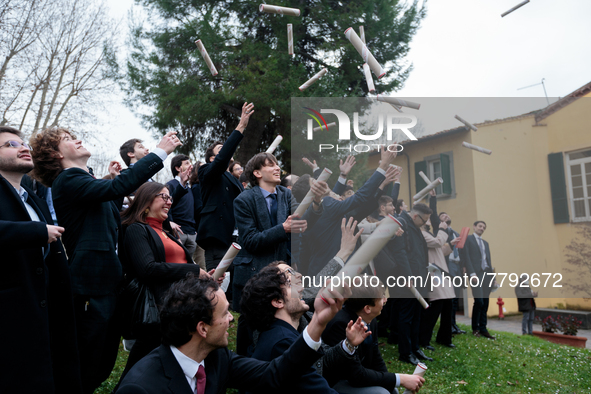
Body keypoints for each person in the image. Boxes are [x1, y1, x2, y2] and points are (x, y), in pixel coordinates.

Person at [30, 126, 181, 393]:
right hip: (90, 287)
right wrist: (160, 152)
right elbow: (118, 188)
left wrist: (110, 182)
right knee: (88, 360)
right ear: (55, 155)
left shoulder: (86, 181)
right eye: (67, 139)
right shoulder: (67, 180)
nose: (77, 140)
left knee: (102, 361)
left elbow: (110, 203)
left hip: (110, 285)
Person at [117, 274, 350, 394]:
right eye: (226, 313)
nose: (232, 319)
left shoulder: (216, 358)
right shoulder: (141, 387)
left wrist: (318, 323)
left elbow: (274, 373)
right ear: (203, 328)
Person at [0, 126, 82, 393]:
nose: (24, 147)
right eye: (11, 144)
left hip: (45, 312)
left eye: (24, 144)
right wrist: (35, 231)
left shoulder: (32, 198)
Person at [232, 151, 327, 354]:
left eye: (277, 164)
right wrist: (283, 229)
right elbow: (249, 240)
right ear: (257, 173)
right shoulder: (243, 200)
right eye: (270, 165)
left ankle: (272, 357)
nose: (277, 168)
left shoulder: (285, 194)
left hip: (281, 267)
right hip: (254, 270)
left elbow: (302, 222)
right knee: (250, 321)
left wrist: (317, 203)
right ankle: (242, 365)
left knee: (275, 316)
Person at [116, 182, 211, 383]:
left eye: (170, 198)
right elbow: (148, 269)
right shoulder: (136, 230)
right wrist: (194, 270)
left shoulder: (167, 232)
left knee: (171, 367)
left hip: (181, 307)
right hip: (158, 310)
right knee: (141, 366)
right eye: (164, 197)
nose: (169, 202)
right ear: (146, 201)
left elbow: (180, 265)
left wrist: (203, 275)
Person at [241, 262, 369, 394]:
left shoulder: (283, 333)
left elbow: (322, 363)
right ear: (278, 301)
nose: (301, 288)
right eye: (289, 282)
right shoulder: (282, 342)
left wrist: (348, 344)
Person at [322, 283, 425, 394]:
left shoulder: (371, 319)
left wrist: (391, 382)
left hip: (356, 378)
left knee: (391, 389)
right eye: (381, 297)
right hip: (336, 383)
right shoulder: (341, 325)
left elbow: (376, 358)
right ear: (367, 308)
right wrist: (400, 379)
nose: (385, 299)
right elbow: (355, 374)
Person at [198, 102, 254, 271]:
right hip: (217, 239)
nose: (226, 152)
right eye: (221, 149)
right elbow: (222, 159)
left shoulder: (233, 179)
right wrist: (241, 125)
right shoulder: (206, 171)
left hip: (237, 239)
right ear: (211, 158)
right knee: (217, 287)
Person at [394, 203, 435, 365]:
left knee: (417, 315)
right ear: (416, 216)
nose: (425, 224)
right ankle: (405, 352)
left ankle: (415, 347)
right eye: (424, 221)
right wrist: (408, 276)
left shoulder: (415, 226)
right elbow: (400, 252)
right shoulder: (402, 223)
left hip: (420, 277)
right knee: (407, 317)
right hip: (408, 279)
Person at [419, 201, 458, 350]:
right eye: (427, 218)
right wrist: (442, 229)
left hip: (441, 271)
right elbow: (436, 243)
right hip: (432, 271)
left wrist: (452, 245)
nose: (430, 219)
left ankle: (444, 337)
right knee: (435, 307)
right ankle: (424, 339)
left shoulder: (427, 233)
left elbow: (439, 251)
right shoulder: (422, 234)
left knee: (447, 305)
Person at [461, 220, 496, 339]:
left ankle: (483, 328)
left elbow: (489, 261)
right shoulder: (468, 239)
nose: (482, 228)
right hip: (476, 274)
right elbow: (466, 257)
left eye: (484, 227)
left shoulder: (486, 243)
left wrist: (493, 277)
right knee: (479, 301)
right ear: (474, 226)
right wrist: (472, 273)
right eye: (480, 226)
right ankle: (475, 328)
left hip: (487, 274)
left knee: (485, 302)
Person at [438, 212, 466, 335]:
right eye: (443, 215)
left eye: (448, 215)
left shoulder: (455, 232)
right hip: (448, 265)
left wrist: (463, 266)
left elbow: (462, 251)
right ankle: (449, 325)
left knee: (456, 296)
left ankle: (454, 324)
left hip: (457, 265)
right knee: (450, 297)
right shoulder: (441, 232)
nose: (447, 216)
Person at [167, 154, 197, 255]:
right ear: (177, 168)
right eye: (187, 163)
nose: (191, 165)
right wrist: (170, 223)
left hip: (192, 233)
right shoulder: (170, 185)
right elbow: (167, 206)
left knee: (189, 266)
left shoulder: (189, 188)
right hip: (178, 232)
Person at [189, 162, 206, 270]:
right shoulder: (196, 187)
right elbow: (198, 209)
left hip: (204, 231)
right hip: (199, 230)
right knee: (201, 265)